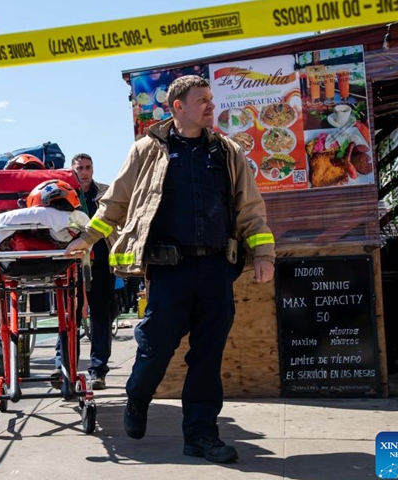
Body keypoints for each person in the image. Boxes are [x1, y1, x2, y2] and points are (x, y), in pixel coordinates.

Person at [64, 75, 275, 464]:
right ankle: (138, 396)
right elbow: (115, 202)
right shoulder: (147, 150)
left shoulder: (227, 152)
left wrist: (263, 255)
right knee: (156, 349)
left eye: (212, 99)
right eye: (203, 100)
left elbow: (250, 208)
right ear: (178, 106)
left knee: (207, 357)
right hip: (168, 270)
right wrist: (87, 239)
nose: (211, 106)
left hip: (216, 269)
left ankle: (200, 435)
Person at [52, 153, 115, 390]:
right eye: (80, 168)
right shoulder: (63, 194)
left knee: (102, 316)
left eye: (88, 167)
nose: (85, 172)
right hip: (71, 264)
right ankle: (63, 366)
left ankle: (98, 371)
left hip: (101, 263)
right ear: (72, 169)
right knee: (70, 317)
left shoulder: (105, 193)